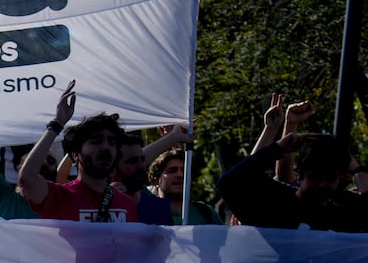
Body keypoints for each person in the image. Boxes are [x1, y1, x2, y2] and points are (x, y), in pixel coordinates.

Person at [17, 81, 139, 223]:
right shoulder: (59, 196)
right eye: (96, 141)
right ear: (75, 154)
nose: (105, 147)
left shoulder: (126, 203)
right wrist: (57, 124)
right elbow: (27, 178)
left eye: (112, 142)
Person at [217, 131, 368, 233]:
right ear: (300, 175)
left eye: (330, 178)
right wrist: (278, 148)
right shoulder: (271, 207)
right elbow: (229, 184)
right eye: (315, 177)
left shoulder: (339, 216)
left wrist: (349, 160)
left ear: (340, 178)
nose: (322, 184)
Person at [147, 148, 220, 225]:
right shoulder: (146, 212)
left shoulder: (206, 212)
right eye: (172, 170)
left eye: (185, 171)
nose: (180, 175)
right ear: (156, 180)